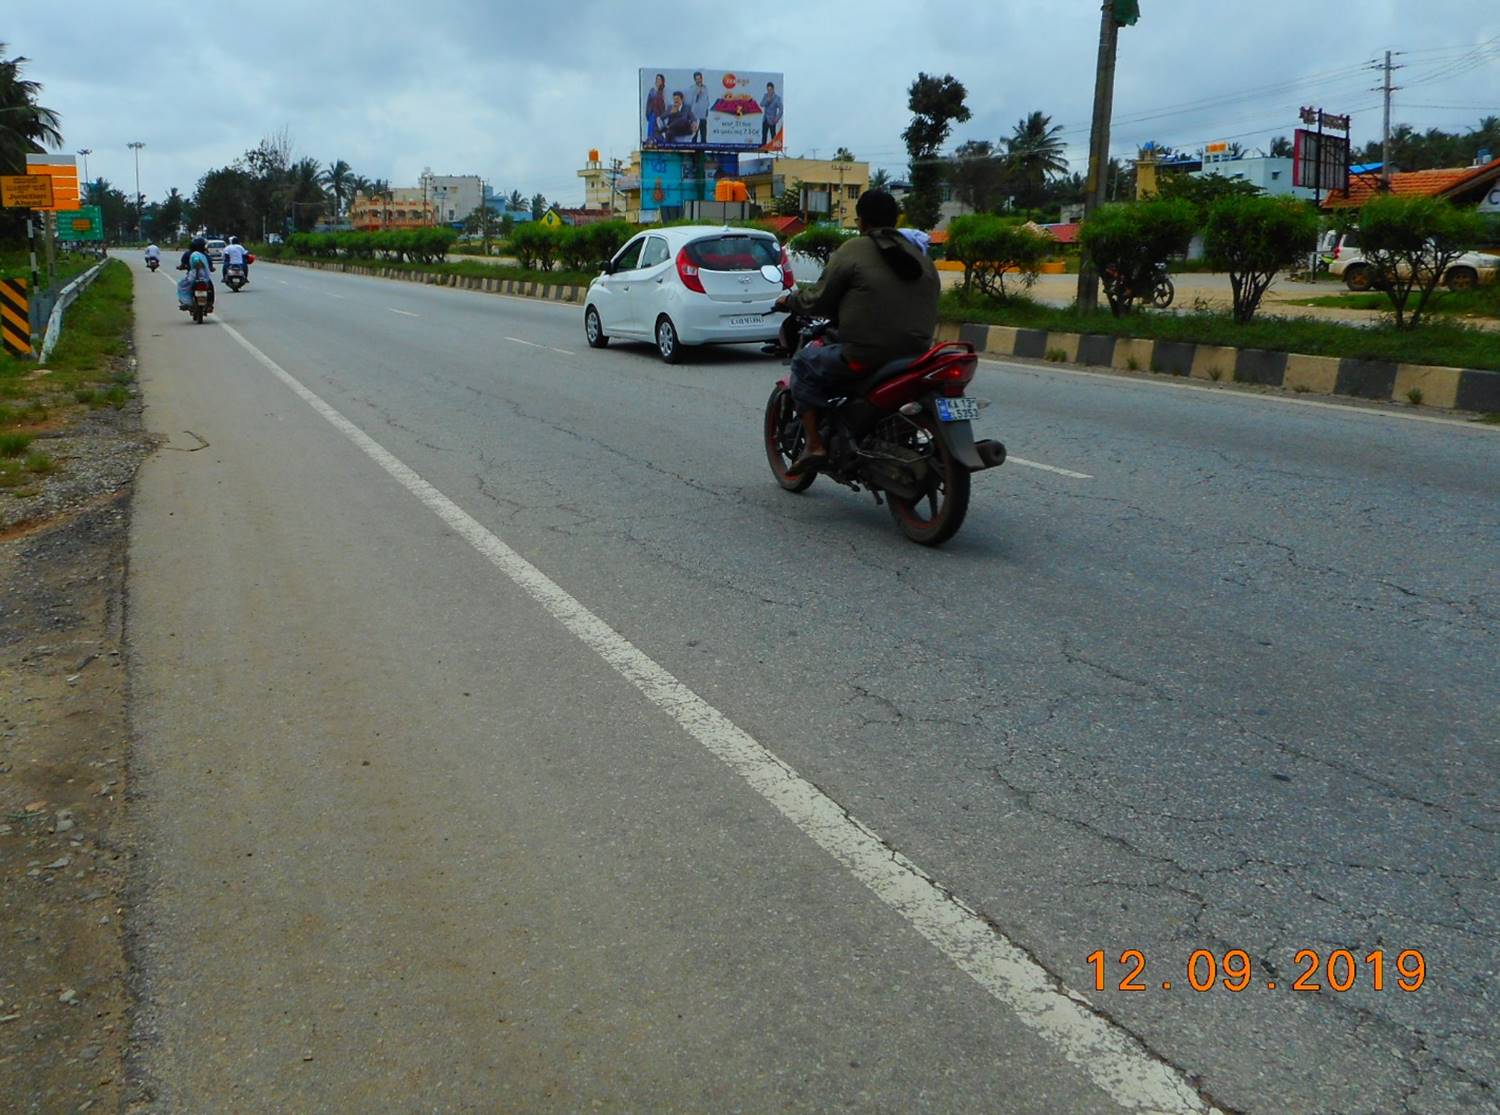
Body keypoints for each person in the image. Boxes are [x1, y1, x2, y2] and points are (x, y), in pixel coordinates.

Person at [772, 190, 939, 476]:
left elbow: (819, 299)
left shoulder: (853, 250)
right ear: (895, 220)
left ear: (861, 221)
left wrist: (790, 301)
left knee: (803, 364)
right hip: (917, 355)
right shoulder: (919, 256)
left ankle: (814, 445)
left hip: (866, 355)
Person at [176, 236, 215, 311]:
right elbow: (209, 266)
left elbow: (195, 264)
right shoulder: (205, 255)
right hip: (205, 278)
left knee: (182, 286)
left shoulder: (190, 254)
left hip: (194, 277)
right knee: (210, 288)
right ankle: (209, 304)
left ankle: (186, 302)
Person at [644, 73, 667, 145]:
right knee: (651, 132)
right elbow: (649, 103)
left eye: (659, 79)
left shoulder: (664, 92)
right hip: (653, 114)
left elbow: (665, 105)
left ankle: (661, 141)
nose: (658, 81)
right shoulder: (652, 90)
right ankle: (650, 140)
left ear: (662, 81)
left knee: (659, 132)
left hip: (660, 116)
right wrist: (648, 114)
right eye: (657, 79)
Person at [689, 71, 711, 143]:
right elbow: (691, 101)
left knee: (703, 134)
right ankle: (693, 152)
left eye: (700, 78)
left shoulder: (705, 88)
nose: (698, 80)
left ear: (702, 79)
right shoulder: (692, 88)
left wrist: (707, 109)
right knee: (694, 135)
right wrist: (697, 94)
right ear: (694, 80)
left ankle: (703, 150)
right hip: (695, 115)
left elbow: (707, 99)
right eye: (697, 79)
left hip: (703, 114)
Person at [760, 82, 783, 148]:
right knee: (764, 134)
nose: (769, 91)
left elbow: (781, 110)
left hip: (772, 120)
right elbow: (761, 104)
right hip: (765, 119)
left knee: (773, 135)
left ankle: (774, 147)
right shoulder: (765, 95)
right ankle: (763, 147)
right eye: (768, 89)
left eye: (770, 89)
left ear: (773, 89)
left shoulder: (777, 98)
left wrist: (777, 118)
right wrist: (767, 101)